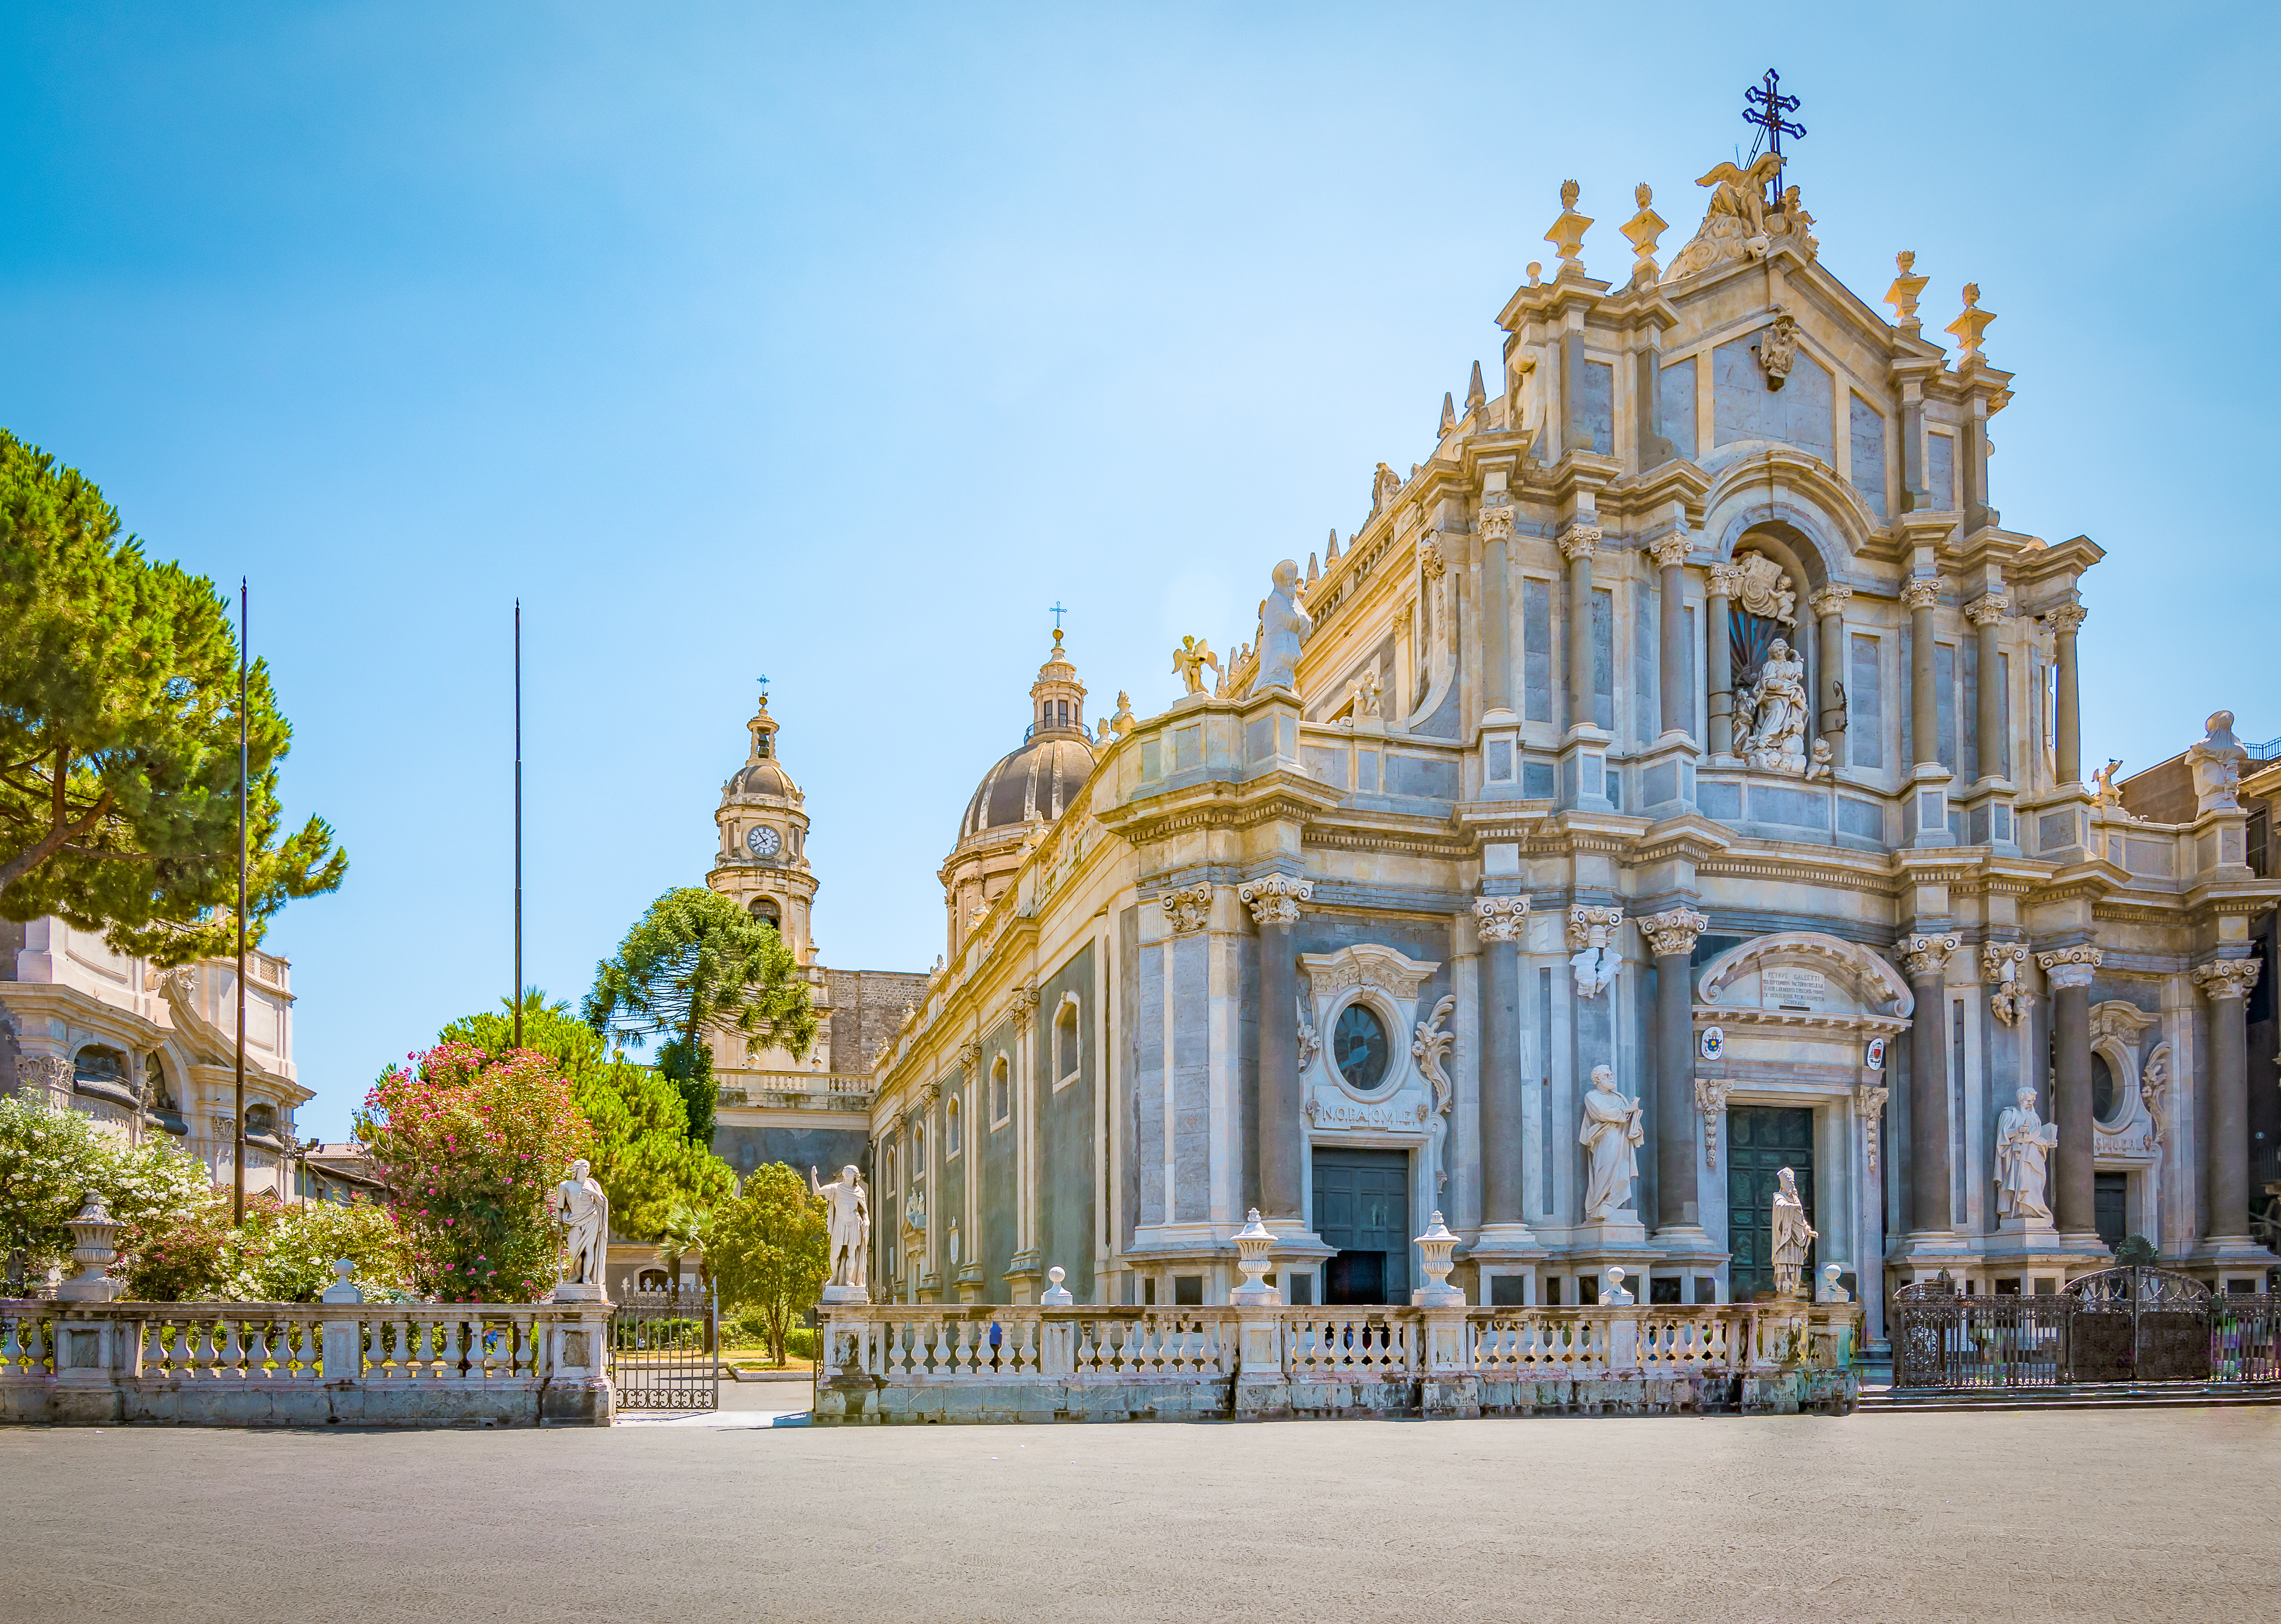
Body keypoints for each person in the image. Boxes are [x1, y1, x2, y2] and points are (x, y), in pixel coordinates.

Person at [1577, 1066, 1643, 1221]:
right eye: (1607, 1075)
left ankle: (1612, 1202)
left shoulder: (1619, 1097)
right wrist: (1627, 1110)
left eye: (1611, 1075)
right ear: (1598, 1079)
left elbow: (1628, 1117)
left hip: (1622, 1139)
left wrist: (1634, 1116)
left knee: (1621, 1171)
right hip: (1604, 1140)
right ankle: (1600, 1202)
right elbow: (1602, 1113)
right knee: (1604, 1170)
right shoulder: (1592, 1096)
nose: (1611, 1078)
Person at [1993, 1087, 2059, 1221]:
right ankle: (2021, 1212)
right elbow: (2002, 1137)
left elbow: (2038, 1137)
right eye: (2028, 1100)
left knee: (2036, 1183)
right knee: (2023, 1182)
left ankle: (2034, 1210)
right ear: (2020, 1099)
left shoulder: (2035, 1117)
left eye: (2033, 1101)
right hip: (2019, 1155)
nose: (2031, 1103)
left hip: (2035, 1155)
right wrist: (2017, 1130)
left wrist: (2048, 1143)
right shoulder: (2010, 1114)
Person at [811, 1163, 870, 1291]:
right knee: (835, 1254)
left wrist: (867, 1221)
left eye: (849, 1172)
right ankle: (835, 1276)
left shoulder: (860, 1192)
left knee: (852, 1253)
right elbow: (818, 1191)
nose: (846, 1173)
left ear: (855, 1176)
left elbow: (864, 1211)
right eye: (845, 1172)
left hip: (854, 1223)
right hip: (840, 1223)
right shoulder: (836, 1188)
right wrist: (813, 1176)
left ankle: (849, 1279)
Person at [554, 1159, 609, 1288]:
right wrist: (559, 1224)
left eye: (589, 1167)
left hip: (592, 1219)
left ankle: (586, 1276)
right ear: (577, 1169)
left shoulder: (593, 1184)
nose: (588, 1169)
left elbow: (603, 1203)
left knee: (589, 1249)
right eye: (585, 1167)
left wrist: (594, 1194)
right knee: (574, 1251)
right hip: (574, 1221)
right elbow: (559, 1207)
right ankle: (577, 1274)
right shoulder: (565, 1186)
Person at [1771, 1166, 1816, 1296]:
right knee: (1785, 1261)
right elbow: (1780, 1206)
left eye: (1793, 1184)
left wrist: (1808, 1230)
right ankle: (1784, 1288)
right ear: (1784, 1185)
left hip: (1796, 1238)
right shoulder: (1778, 1196)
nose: (1792, 1186)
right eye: (1790, 1184)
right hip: (1785, 1237)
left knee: (1795, 1262)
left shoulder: (1796, 1199)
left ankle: (1794, 1288)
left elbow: (1800, 1219)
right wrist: (1794, 1206)